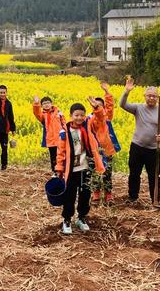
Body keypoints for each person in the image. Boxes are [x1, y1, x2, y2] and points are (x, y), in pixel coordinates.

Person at [55, 98, 106, 235]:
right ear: (71, 115)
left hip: (85, 168)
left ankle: (81, 217)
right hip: (71, 170)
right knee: (69, 196)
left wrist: (97, 108)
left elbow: (100, 119)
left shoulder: (87, 126)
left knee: (85, 194)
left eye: (82, 115)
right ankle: (67, 219)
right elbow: (60, 152)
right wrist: (59, 168)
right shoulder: (65, 131)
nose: (79, 118)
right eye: (76, 115)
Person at [119, 77, 160, 205]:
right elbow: (122, 104)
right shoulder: (138, 108)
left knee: (154, 176)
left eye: (154, 96)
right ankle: (133, 196)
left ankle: (155, 199)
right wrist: (126, 91)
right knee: (134, 173)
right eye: (149, 96)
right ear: (145, 96)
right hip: (137, 147)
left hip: (153, 149)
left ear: (157, 97)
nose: (151, 98)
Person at [90, 82, 121, 204]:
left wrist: (107, 93)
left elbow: (110, 106)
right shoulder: (90, 119)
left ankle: (108, 194)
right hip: (95, 150)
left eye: (100, 105)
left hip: (107, 149)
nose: (98, 107)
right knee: (95, 172)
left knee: (107, 173)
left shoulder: (107, 117)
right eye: (95, 105)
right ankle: (96, 193)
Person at [32, 95, 65, 173]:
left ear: (51, 103)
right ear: (42, 105)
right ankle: (55, 172)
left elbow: (64, 123)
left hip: (60, 138)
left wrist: (65, 132)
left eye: (48, 103)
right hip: (50, 140)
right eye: (44, 103)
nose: (46, 104)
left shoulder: (59, 112)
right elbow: (37, 114)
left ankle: (63, 171)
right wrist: (36, 104)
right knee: (53, 157)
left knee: (62, 156)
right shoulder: (43, 115)